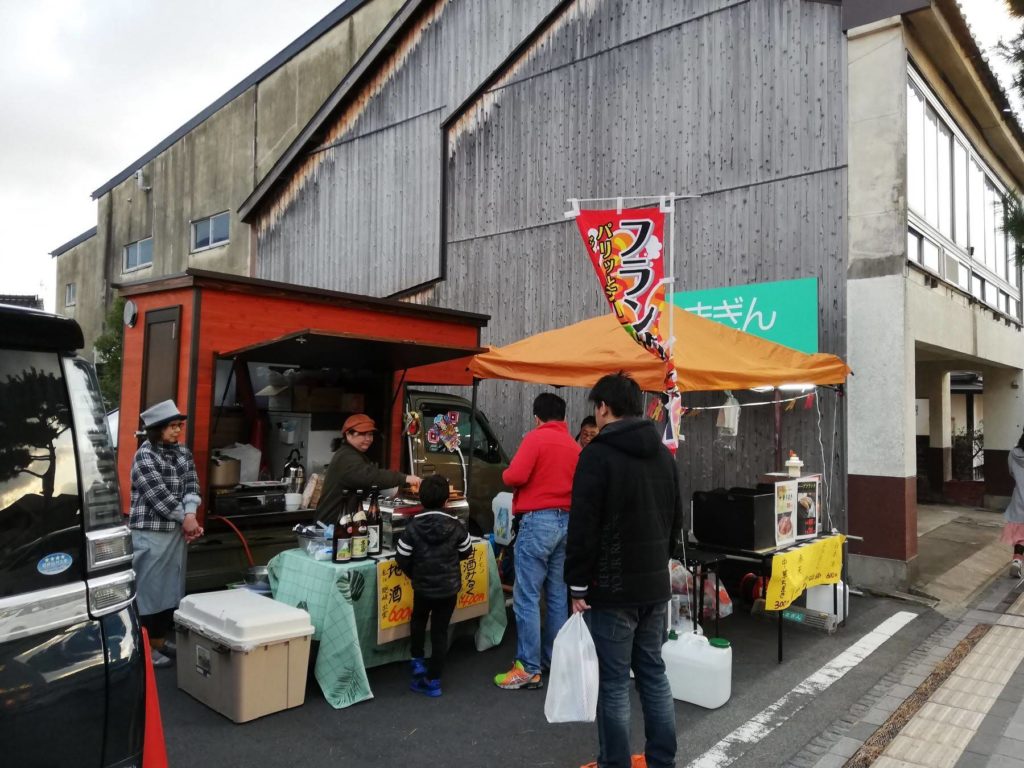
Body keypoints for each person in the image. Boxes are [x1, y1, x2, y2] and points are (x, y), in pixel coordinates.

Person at [565, 373, 682, 768]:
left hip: (612, 590)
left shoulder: (596, 456)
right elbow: (674, 519)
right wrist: (660, 565)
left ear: (603, 407)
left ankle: (614, 763)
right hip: (654, 584)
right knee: (653, 673)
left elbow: (583, 525)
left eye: (595, 408)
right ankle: (662, 760)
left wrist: (577, 584)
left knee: (613, 684)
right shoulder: (663, 455)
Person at [494, 392, 580, 690]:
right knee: (557, 596)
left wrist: (506, 472)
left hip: (538, 521)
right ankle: (552, 661)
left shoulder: (536, 438)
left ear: (536, 416)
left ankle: (528, 668)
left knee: (527, 595)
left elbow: (514, 476)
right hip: (567, 522)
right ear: (564, 417)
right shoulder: (574, 446)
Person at [129, 399, 204, 669]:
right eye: (172, 426)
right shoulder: (144, 456)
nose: (177, 431)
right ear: (157, 429)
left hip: (175, 530)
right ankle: (143, 648)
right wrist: (186, 519)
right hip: (150, 532)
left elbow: (192, 484)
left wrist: (191, 514)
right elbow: (156, 495)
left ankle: (158, 642)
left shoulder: (183, 453)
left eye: (178, 426)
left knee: (169, 591)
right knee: (149, 590)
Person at [395, 474, 472, 697]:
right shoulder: (456, 525)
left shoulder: (413, 526)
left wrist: (414, 573)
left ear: (420, 499)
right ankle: (433, 680)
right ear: (447, 501)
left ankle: (417, 661)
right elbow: (466, 551)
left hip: (423, 588)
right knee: (440, 631)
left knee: (418, 621)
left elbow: (402, 556)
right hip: (448, 589)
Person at [318, 413, 421, 522]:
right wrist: (404, 478)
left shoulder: (352, 454)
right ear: (348, 434)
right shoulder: (346, 457)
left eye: (370, 434)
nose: (368, 438)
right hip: (330, 527)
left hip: (341, 522)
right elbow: (371, 476)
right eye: (363, 434)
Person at [1003, 430, 1024, 578]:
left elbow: (1011, 472)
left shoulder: (1013, 453)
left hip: (1019, 498)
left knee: (1020, 534)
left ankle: (1017, 561)